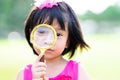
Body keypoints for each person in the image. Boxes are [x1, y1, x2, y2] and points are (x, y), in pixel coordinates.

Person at [16, 0, 90, 80]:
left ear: (68, 41)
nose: (48, 40)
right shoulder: (23, 74)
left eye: (58, 34)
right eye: (42, 32)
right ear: (32, 36)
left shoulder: (78, 71)